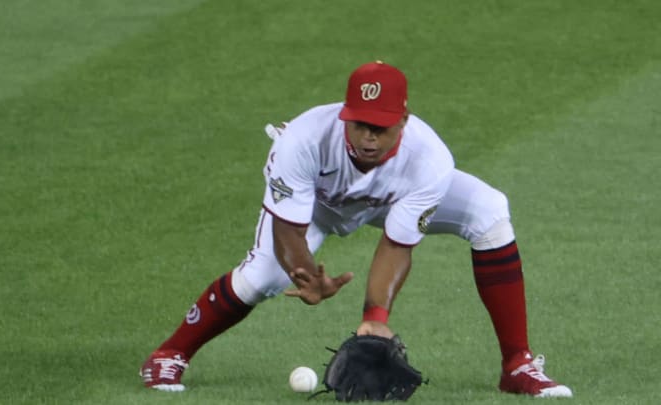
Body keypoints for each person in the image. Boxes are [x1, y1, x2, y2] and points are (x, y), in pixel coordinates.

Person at [140, 61, 572, 398]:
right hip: (318, 207)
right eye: (359, 123)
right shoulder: (303, 141)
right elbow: (288, 230)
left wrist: (374, 319)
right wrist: (305, 275)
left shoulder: (430, 160)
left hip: (392, 201)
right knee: (260, 279)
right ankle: (170, 353)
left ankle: (517, 365)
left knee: (489, 212)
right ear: (345, 115)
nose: (367, 136)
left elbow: (398, 244)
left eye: (380, 127)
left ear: (403, 121)